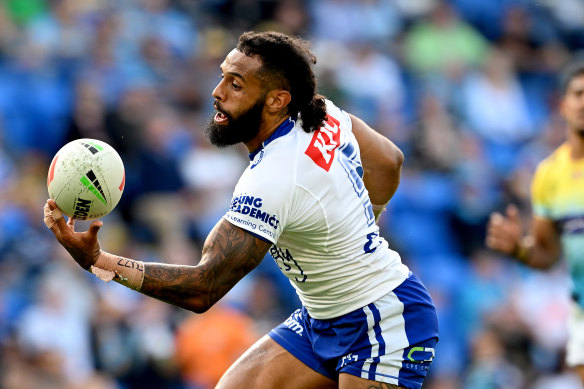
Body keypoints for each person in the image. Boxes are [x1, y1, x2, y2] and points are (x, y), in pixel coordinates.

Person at [43, 31, 438, 389]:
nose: (217, 92)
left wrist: (99, 262)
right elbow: (389, 160)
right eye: (222, 76)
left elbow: (203, 290)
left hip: (385, 321)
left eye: (235, 84)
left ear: (277, 100)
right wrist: (362, 225)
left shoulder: (274, 176)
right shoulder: (319, 111)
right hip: (323, 318)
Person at [486, 61, 584, 384]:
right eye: (578, 93)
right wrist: (518, 249)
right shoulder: (548, 175)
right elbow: (547, 255)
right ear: (563, 104)